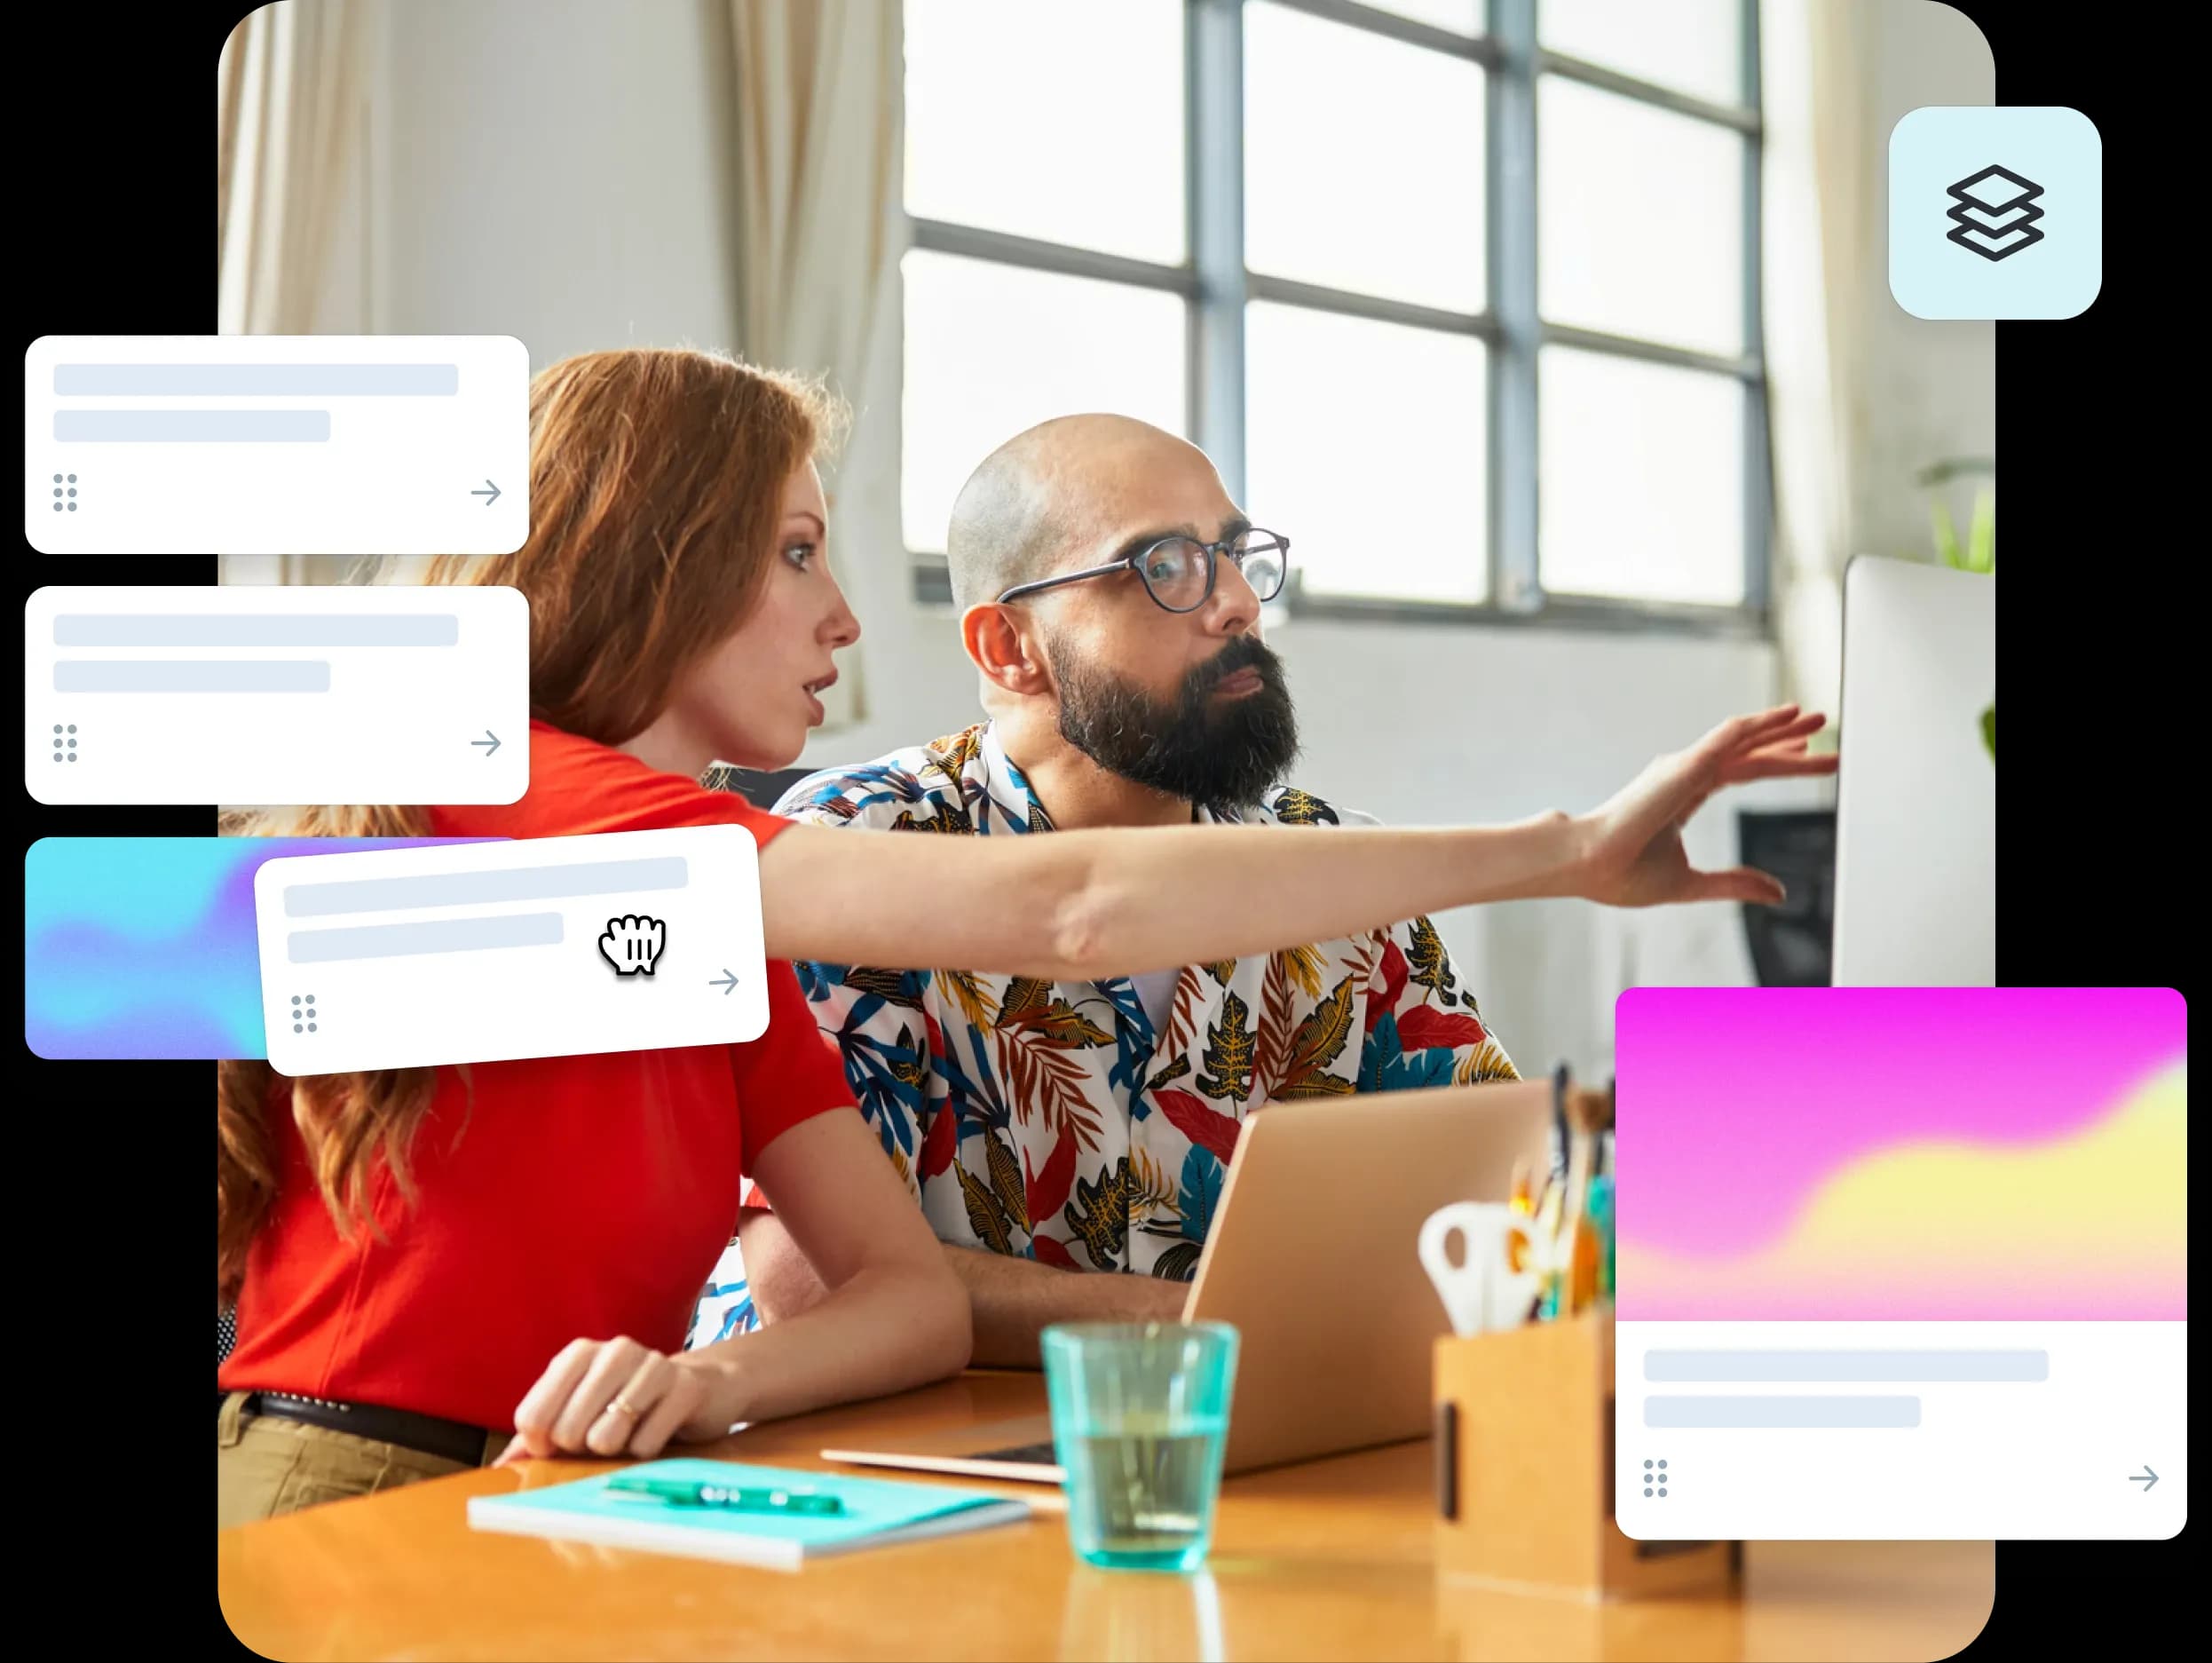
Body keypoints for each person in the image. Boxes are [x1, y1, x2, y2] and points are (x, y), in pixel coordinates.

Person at [217, 348, 1829, 1524]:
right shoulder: (593, 818)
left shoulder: (726, 912)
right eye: (794, 552)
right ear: (653, 555)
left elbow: (895, 1290)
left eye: (1235, 559)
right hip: (369, 1468)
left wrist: (703, 1384)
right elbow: (1062, 913)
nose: (846, 616)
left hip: (578, 1474)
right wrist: (1562, 846)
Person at [715, 412, 1832, 1365]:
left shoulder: (1330, 872)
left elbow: (1510, 1189)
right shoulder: (862, 853)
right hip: (900, 1497)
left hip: (1250, 1461)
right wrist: (1224, 1332)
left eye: (1236, 554)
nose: (1236, 602)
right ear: (1009, 646)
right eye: (1164, 567)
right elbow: (809, 1283)